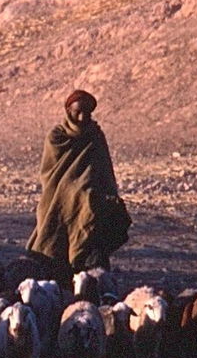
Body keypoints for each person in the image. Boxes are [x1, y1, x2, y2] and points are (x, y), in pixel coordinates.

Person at [27, 89, 131, 279]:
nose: (82, 117)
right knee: (52, 240)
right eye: (77, 112)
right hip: (56, 200)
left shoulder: (95, 136)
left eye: (87, 113)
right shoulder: (57, 137)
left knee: (90, 219)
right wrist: (73, 189)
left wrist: (95, 193)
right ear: (68, 111)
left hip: (89, 204)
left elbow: (103, 172)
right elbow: (50, 173)